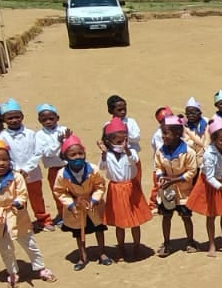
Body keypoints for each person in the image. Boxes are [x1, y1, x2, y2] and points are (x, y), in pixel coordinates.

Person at [0, 137, 55, 288]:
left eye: (5, 159)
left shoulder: (16, 177)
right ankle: (12, 272)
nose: (1, 163)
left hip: (17, 215)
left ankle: (40, 268)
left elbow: (22, 194)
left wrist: (18, 202)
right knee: (5, 247)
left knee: (29, 243)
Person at [55, 135, 112, 269]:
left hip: (93, 205)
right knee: (79, 232)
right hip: (76, 207)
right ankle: (82, 256)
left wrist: (94, 198)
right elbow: (59, 191)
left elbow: (100, 185)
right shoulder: (62, 174)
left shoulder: (93, 169)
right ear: (66, 157)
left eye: (80, 153)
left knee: (99, 229)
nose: (77, 157)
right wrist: (71, 202)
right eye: (73, 154)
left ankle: (102, 253)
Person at [100, 118, 152, 262]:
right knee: (119, 222)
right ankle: (121, 248)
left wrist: (127, 150)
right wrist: (104, 154)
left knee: (135, 220)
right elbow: (102, 167)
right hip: (115, 189)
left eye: (123, 140)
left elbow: (133, 160)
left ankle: (136, 246)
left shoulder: (131, 152)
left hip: (130, 188)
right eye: (117, 141)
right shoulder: (108, 155)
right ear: (109, 141)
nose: (121, 144)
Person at [0, 98, 51, 233]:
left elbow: (37, 152)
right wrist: (17, 170)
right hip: (14, 174)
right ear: (4, 119)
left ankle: (43, 220)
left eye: (17, 117)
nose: (14, 120)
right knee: (19, 199)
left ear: (22, 117)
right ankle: (23, 222)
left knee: (37, 197)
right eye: (10, 118)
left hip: (33, 173)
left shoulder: (31, 134)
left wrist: (27, 168)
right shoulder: (2, 137)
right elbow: (5, 155)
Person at [190, 117, 222, 257]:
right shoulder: (208, 154)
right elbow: (209, 177)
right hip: (211, 186)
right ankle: (212, 243)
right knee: (211, 215)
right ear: (213, 139)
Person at [153, 114, 199, 257]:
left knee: (186, 216)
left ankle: (191, 241)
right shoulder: (161, 151)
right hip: (167, 191)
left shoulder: (188, 152)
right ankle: (166, 244)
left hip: (184, 191)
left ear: (177, 134)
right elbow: (158, 166)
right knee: (166, 216)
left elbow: (192, 171)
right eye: (163, 133)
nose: (163, 137)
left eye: (166, 133)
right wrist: (161, 176)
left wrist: (176, 180)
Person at [36, 103, 71, 226]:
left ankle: (75, 213)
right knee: (58, 192)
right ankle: (62, 215)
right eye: (44, 119)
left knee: (72, 190)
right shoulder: (39, 136)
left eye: (51, 118)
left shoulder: (63, 130)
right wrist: (59, 142)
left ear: (57, 118)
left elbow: (71, 146)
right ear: (40, 120)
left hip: (68, 167)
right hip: (54, 169)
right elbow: (46, 153)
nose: (48, 122)